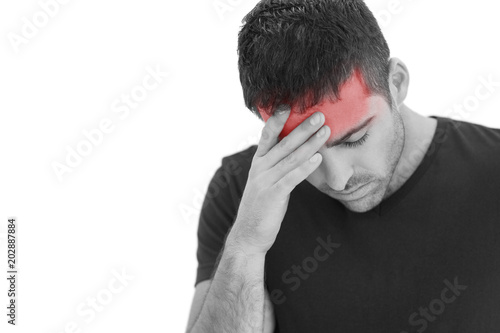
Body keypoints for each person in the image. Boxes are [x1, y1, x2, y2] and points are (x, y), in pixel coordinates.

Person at [186, 0, 500, 332]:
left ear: (396, 82)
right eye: (302, 150)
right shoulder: (242, 193)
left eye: (354, 139)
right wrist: (246, 244)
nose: (337, 181)